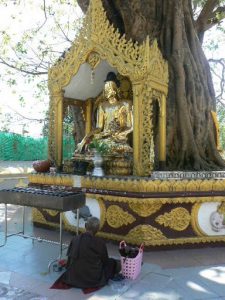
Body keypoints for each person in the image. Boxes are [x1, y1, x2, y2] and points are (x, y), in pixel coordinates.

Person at [75, 72, 133, 155]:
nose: (108, 89)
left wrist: (118, 134)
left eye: (110, 86)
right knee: (91, 144)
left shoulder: (126, 104)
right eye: (106, 87)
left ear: (116, 88)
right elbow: (99, 127)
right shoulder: (102, 106)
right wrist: (86, 137)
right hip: (104, 136)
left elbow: (130, 127)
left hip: (118, 138)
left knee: (113, 146)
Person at [62, 217, 120, 288]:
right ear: (98, 229)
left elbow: (69, 258)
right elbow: (105, 261)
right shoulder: (100, 243)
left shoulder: (75, 239)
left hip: (73, 277)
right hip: (92, 279)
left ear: (85, 225)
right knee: (112, 263)